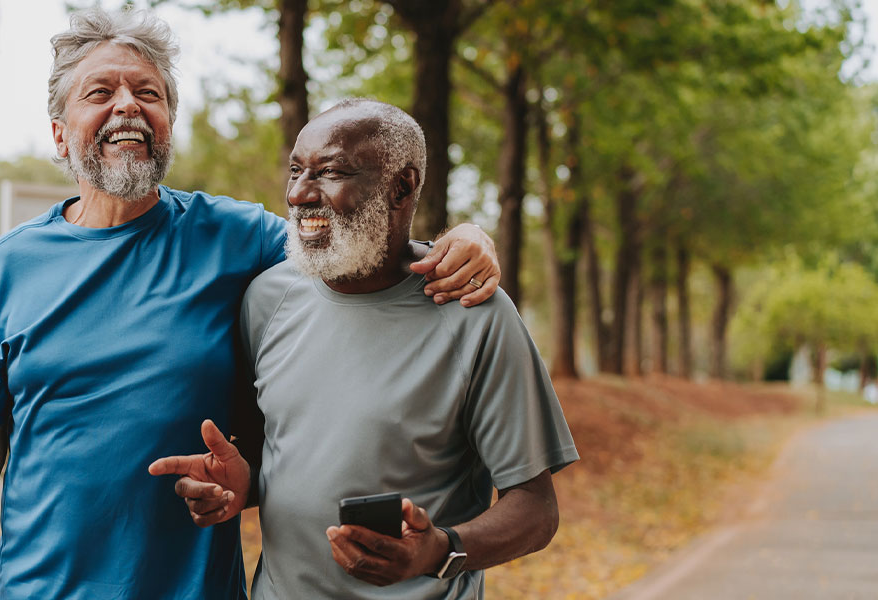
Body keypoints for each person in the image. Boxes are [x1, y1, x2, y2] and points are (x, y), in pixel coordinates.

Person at [0, 8, 503, 600]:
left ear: (167, 123)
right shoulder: (5, 268)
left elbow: (355, 246)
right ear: (60, 133)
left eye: (150, 93)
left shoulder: (236, 236)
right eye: (101, 91)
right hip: (42, 589)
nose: (128, 105)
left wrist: (464, 236)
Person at [150, 99, 578, 599]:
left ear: (401, 187)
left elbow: (536, 509)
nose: (300, 193)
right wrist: (235, 485)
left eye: (330, 172)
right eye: (295, 170)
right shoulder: (267, 299)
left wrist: (441, 550)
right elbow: (271, 453)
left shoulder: (474, 313)